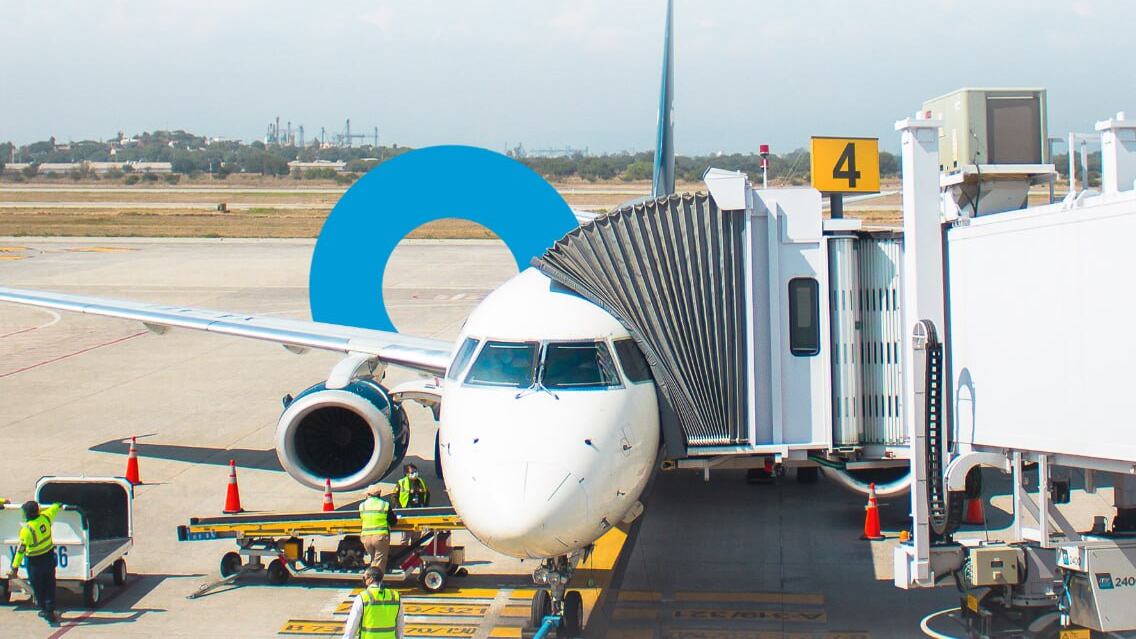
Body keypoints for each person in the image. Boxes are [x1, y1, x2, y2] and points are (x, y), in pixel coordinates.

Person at [8, 501, 63, 626]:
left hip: (34, 562)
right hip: (48, 557)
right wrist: (58, 505)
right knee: (50, 583)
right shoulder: (46, 518)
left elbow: (21, 550)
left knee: (38, 586)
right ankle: (50, 609)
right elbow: (53, 508)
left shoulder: (26, 530)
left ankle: (44, 608)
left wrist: (15, 566)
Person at [341, 567, 402, 638]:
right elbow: (400, 626)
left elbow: (352, 625)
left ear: (371, 579)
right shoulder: (395, 597)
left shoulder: (362, 597)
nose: (364, 581)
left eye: (364, 579)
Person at [359, 484, 394, 570]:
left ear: (368, 495)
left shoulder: (362, 505)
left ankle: (370, 578)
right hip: (379, 538)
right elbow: (393, 521)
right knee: (379, 563)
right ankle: (375, 581)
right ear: (379, 494)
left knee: (374, 560)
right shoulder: (384, 505)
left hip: (366, 538)